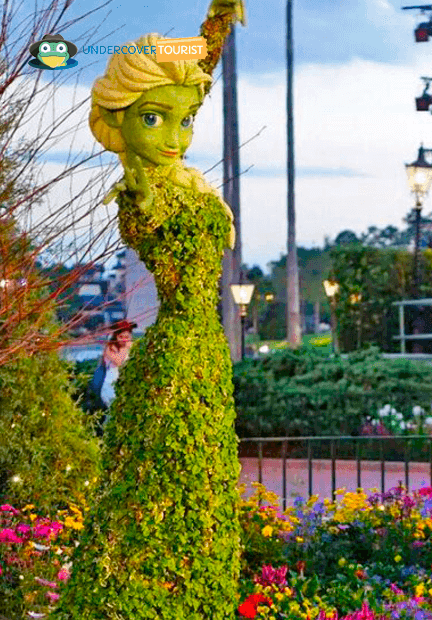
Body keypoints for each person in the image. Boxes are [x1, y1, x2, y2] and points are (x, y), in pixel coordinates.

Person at [55, 2, 245, 618]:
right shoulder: (142, 195)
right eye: (155, 119)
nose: (174, 138)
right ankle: (141, 593)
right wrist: (142, 187)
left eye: (183, 121)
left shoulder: (187, 181)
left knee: (200, 480)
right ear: (121, 120)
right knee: (160, 476)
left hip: (205, 355)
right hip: (175, 355)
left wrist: (213, 25)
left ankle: (195, 590)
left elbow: (192, 66)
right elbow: (147, 215)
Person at [99, 320, 136, 407]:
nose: (124, 340)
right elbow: (119, 362)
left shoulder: (133, 347)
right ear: (116, 336)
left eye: (127, 337)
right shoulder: (110, 348)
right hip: (111, 386)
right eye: (121, 337)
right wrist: (126, 348)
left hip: (126, 386)